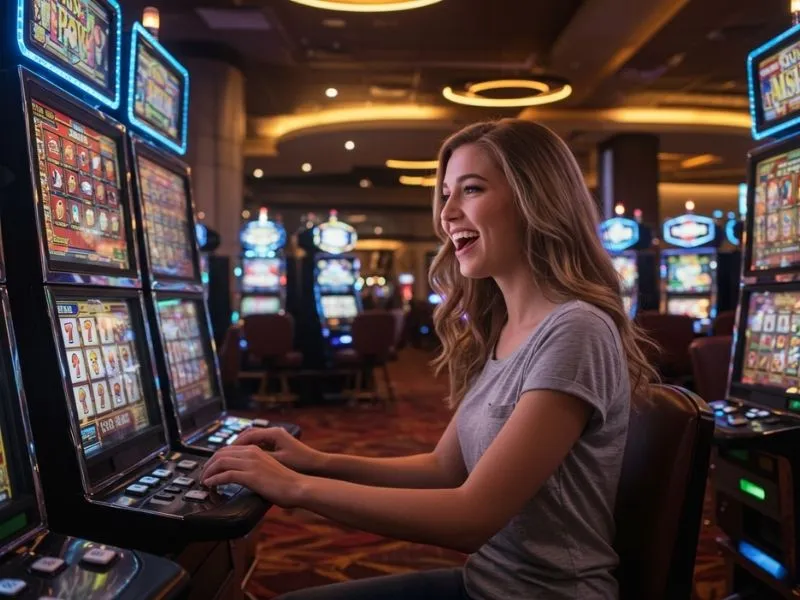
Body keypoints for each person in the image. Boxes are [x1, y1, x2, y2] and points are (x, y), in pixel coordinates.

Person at [201, 119, 658, 600]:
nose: (447, 214)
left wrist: (296, 489)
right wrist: (315, 462)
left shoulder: (576, 329)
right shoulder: (502, 327)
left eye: (472, 189)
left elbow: (471, 517)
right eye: (446, 195)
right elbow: (443, 469)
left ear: (535, 199)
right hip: (487, 584)